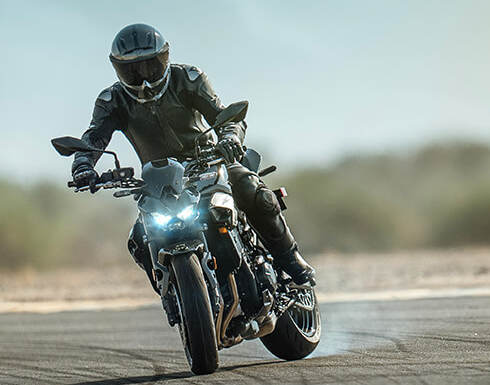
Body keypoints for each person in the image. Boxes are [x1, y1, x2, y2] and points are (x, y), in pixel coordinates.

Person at [70, 23, 315, 290]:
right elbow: (94, 138)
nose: (144, 79)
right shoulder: (112, 100)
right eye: (132, 71)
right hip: (159, 181)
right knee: (139, 240)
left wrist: (230, 139)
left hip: (209, 164)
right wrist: (83, 164)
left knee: (251, 188)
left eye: (151, 66)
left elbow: (224, 117)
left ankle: (290, 258)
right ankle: (173, 295)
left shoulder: (188, 79)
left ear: (164, 57)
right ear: (117, 69)